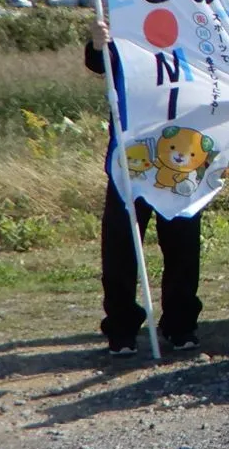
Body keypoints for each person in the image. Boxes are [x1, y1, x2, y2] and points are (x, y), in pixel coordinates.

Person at [84, 20, 207, 354]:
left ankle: (180, 323)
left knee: (182, 242)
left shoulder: (192, 21)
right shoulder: (128, 15)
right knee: (122, 244)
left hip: (180, 153)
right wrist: (98, 43)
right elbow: (100, 64)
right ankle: (122, 326)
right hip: (133, 155)